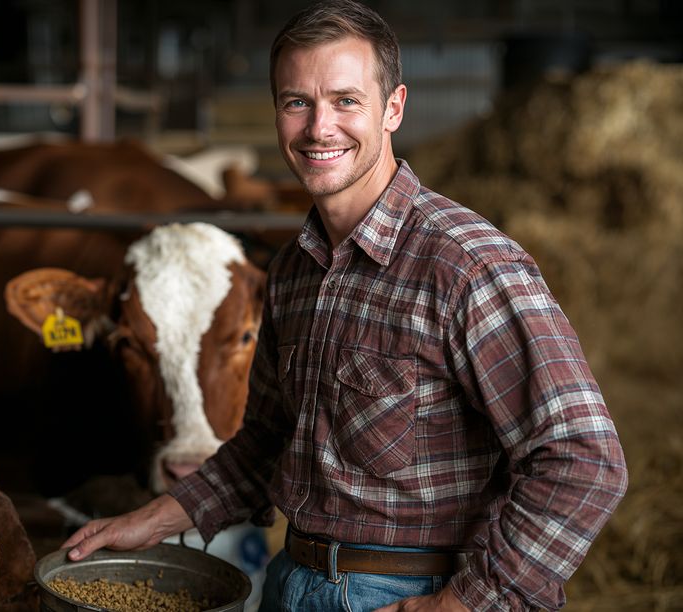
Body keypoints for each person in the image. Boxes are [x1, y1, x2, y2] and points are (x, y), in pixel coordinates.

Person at [61, 1, 628, 610]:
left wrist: (464, 604)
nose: (318, 128)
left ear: (393, 108)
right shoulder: (289, 272)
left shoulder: (464, 264)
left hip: (412, 591)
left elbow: (583, 460)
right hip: (293, 580)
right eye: (296, 102)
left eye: (346, 101)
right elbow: (270, 440)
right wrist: (158, 518)